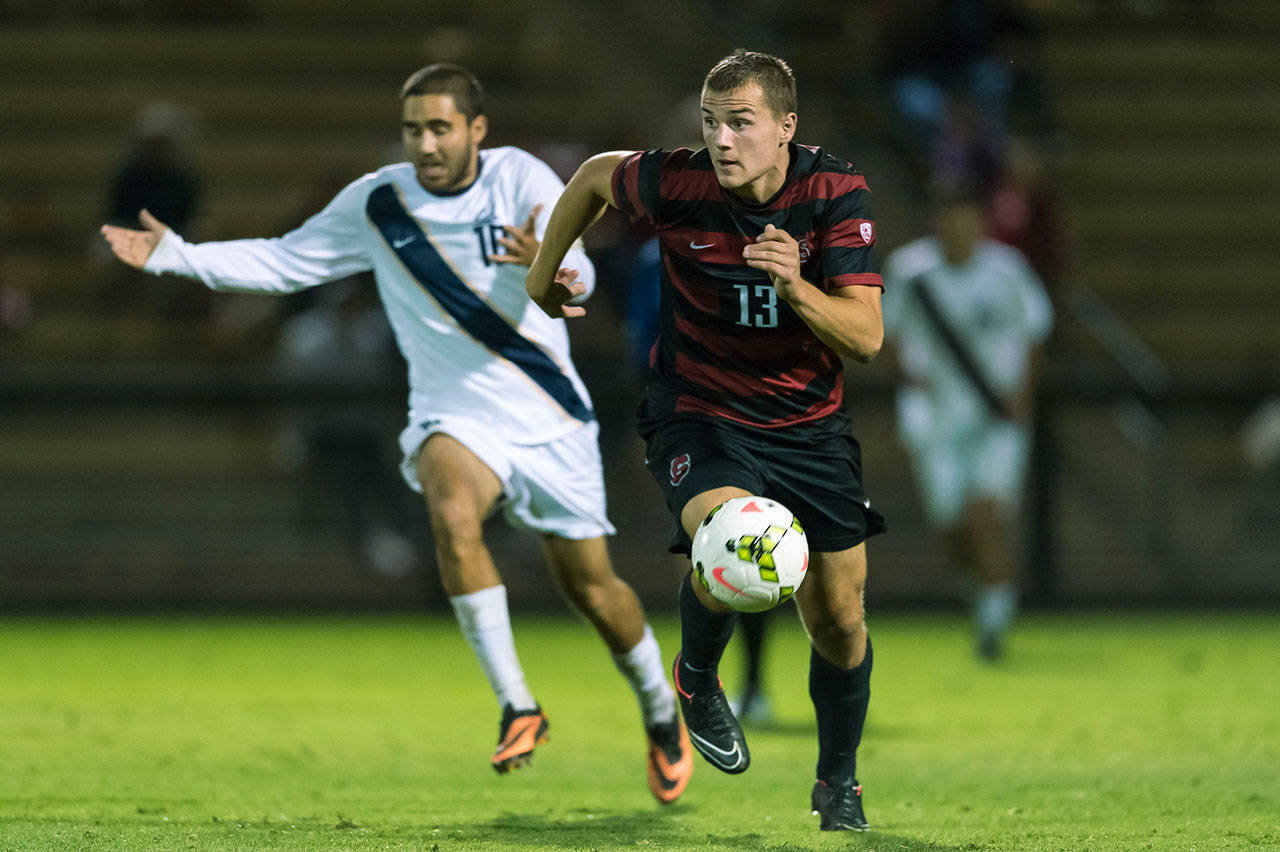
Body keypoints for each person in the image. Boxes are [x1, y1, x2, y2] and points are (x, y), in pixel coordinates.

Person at [99, 63, 692, 804]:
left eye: (440, 127)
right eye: (414, 129)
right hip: (454, 411)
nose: (426, 143)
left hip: (547, 412)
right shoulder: (379, 203)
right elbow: (286, 262)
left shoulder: (521, 179)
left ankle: (660, 709)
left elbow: (574, 263)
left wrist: (559, 274)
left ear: (476, 129)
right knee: (450, 513)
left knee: (595, 590)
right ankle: (518, 704)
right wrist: (176, 255)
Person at [528, 51, 886, 832]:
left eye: (741, 122)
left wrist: (796, 285)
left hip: (809, 426)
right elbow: (593, 176)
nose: (722, 140)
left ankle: (839, 784)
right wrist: (542, 273)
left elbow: (866, 337)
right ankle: (695, 676)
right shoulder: (679, 182)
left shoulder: (834, 192)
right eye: (710, 121)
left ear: (787, 127)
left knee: (840, 618)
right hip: (700, 410)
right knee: (737, 534)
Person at [881, 184, 1054, 660]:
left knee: (985, 515)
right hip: (935, 422)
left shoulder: (1008, 272)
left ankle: (993, 628)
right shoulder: (910, 272)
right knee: (952, 526)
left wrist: (1021, 396)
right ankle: (985, 593)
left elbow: (1036, 334)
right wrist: (910, 373)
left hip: (995, 417)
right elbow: (885, 332)